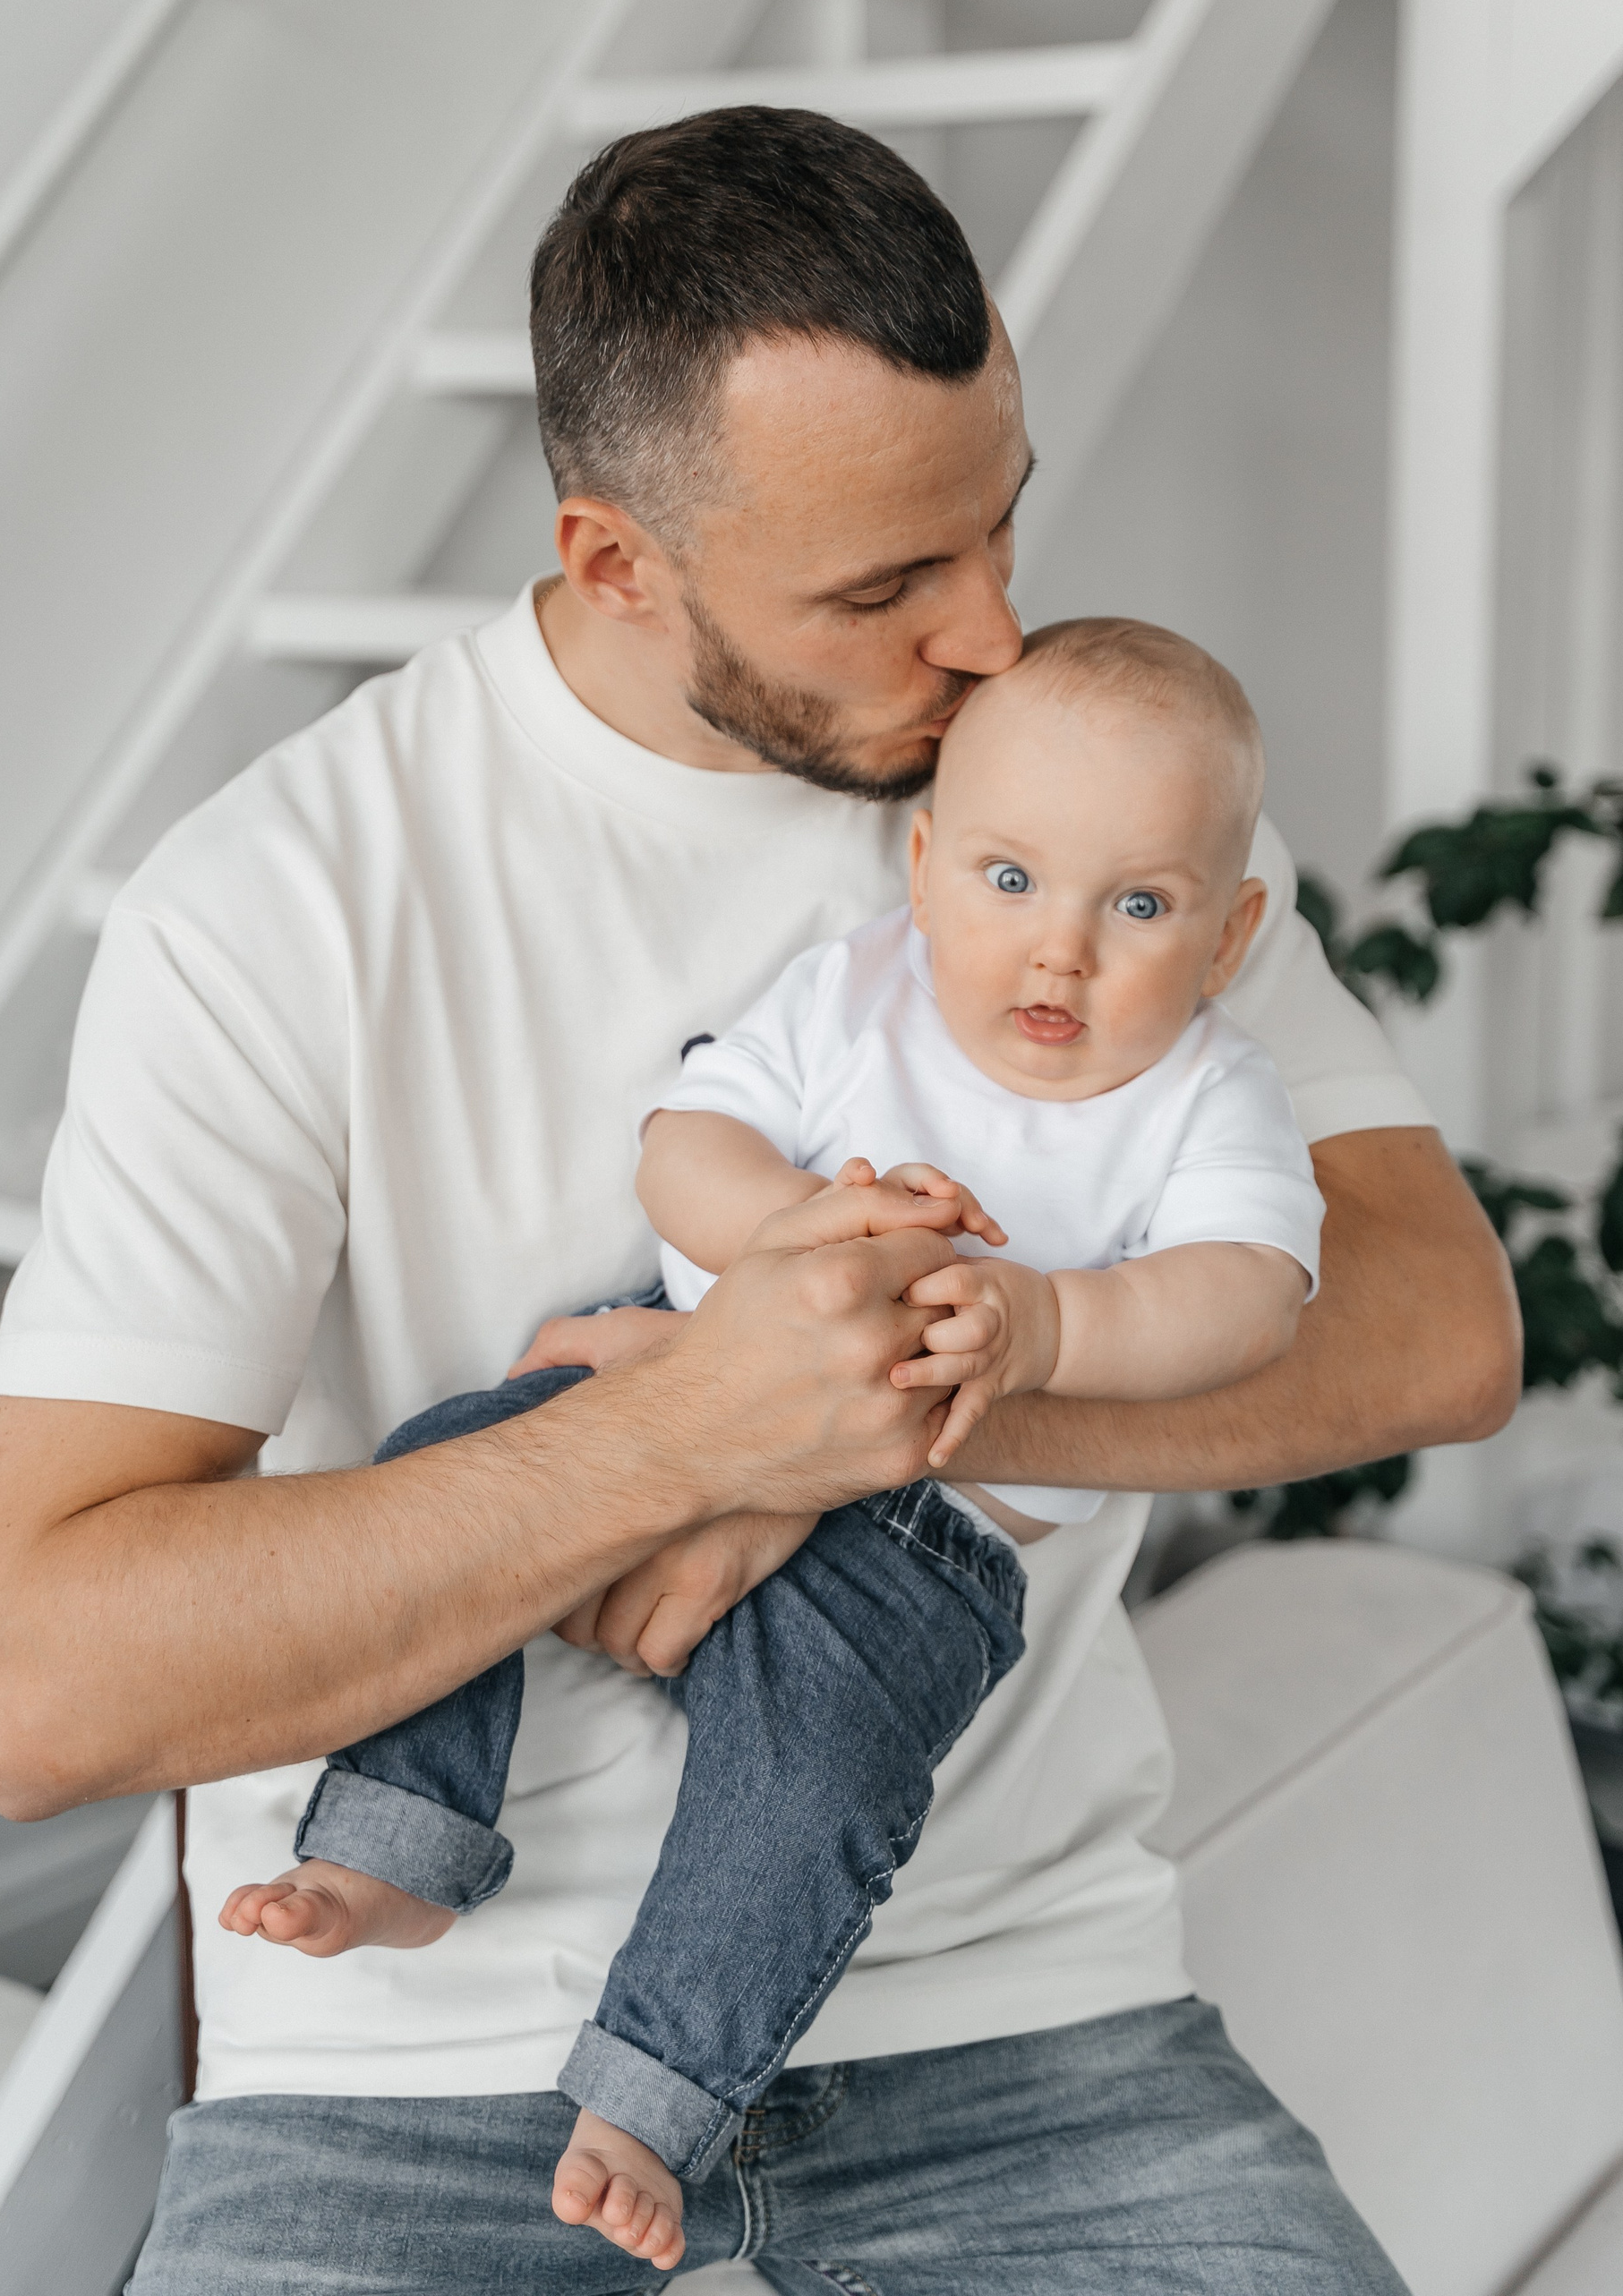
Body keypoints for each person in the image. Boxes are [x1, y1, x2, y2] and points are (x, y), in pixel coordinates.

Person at [0, 107, 1518, 2294]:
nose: (992, 634)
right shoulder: (276, 906)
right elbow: (38, 1691)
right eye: (884, 590)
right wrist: (681, 1435)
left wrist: (877, 1408)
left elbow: (1439, 1327)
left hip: (1021, 2035)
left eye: (1000, 524)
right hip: (410, 2088)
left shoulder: (1078, 817)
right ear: (617, 563)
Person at [216, 616, 1327, 2276]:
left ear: (1230, 935)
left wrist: (1050, 1325)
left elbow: (1248, 1297)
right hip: (680, 1389)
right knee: (446, 1473)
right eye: (1010, 881)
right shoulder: (857, 989)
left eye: (1142, 909)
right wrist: (798, 1244)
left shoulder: (1207, 1095)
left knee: (810, 1782)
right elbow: (686, 1150)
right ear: (926, 868)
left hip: (927, 1536)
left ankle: (657, 2091)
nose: (1061, 954)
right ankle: (398, 1839)